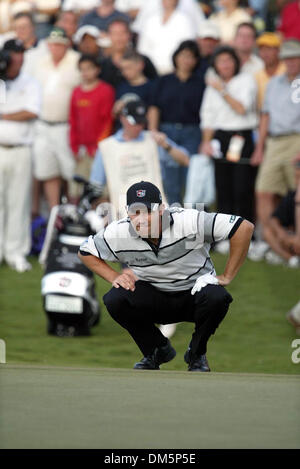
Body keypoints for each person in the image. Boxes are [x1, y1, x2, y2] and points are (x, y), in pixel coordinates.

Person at [78, 180, 254, 371]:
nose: (141, 219)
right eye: (135, 212)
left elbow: (243, 227)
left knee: (217, 297)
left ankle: (196, 354)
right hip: (154, 296)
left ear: (161, 209)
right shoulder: (119, 232)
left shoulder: (188, 222)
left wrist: (227, 275)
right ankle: (157, 350)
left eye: (148, 211)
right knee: (115, 298)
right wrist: (113, 276)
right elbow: (86, 251)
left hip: (194, 294)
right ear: (128, 212)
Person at [200, 46, 258, 253]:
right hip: (220, 138)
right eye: (220, 61)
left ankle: (247, 236)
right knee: (223, 188)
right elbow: (207, 116)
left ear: (235, 62)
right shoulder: (211, 86)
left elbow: (241, 108)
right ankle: (225, 235)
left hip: (241, 135)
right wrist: (206, 141)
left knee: (242, 188)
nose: (225, 65)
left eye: (228, 60)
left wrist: (222, 90)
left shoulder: (245, 81)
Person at [90, 99, 189, 214]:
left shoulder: (154, 140)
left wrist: (166, 146)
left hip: (156, 211)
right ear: (122, 118)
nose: (139, 127)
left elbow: (185, 160)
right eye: (135, 122)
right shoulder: (106, 147)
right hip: (122, 214)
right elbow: (95, 186)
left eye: (141, 123)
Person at [251, 39, 300, 240]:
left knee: (295, 194)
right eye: (287, 58)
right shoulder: (273, 84)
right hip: (273, 141)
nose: (290, 62)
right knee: (263, 191)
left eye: (294, 58)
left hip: (297, 139)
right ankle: (282, 241)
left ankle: (294, 240)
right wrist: (259, 148)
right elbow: (265, 116)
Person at [0, 39, 41, 272]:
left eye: (21, 55)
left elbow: (31, 111)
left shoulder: (30, 83)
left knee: (18, 203)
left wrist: (4, 116)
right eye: (14, 55)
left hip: (21, 149)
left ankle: (15, 252)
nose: (18, 60)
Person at [148, 40, 205, 204]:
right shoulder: (164, 80)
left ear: (195, 61)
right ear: (176, 57)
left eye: (191, 57)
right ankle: (171, 218)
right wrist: (153, 130)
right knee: (169, 179)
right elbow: (154, 107)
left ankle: (191, 221)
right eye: (183, 55)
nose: (186, 60)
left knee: (191, 178)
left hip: (192, 133)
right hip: (167, 131)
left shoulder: (201, 83)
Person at [32, 27, 81, 210]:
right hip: (43, 124)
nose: (55, 48)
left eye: (59, 45)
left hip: (66, 125)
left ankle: (72, 212)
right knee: (47, 170)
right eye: (52, 44)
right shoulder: (41, 62)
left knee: (70, 172)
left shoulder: (75, 60)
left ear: (66, 45)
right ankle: (54, 215)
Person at [69, 54, 115, 197]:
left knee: (100, 191)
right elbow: (73, 121)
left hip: (99, 150)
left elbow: (107, 121)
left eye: (89, 68)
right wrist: (74, 147)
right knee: (76, 191)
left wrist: (99, 146)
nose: (85, 72)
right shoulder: (76, 92)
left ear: (97, 70)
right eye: (82, 69)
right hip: (82, 150)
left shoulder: (105, 90)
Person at [137, 0, 196, 76]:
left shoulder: (185, 20)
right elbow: (143, 47)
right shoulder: (151, 20)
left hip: (173, 71)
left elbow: (187, 48)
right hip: (149, 71)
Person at [100, 19, 158, 89]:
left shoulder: (144, 61)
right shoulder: (102, 65)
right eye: (115, 33)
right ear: (109, 36)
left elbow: (156, 86)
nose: (119, 38)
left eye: (122, 33)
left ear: (129, 35)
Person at [255, 32, 286, 111]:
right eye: (262, 49)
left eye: (269, 49)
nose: (265, 53)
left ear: (278, 51)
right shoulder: (256, 76)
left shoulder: (288, 71)